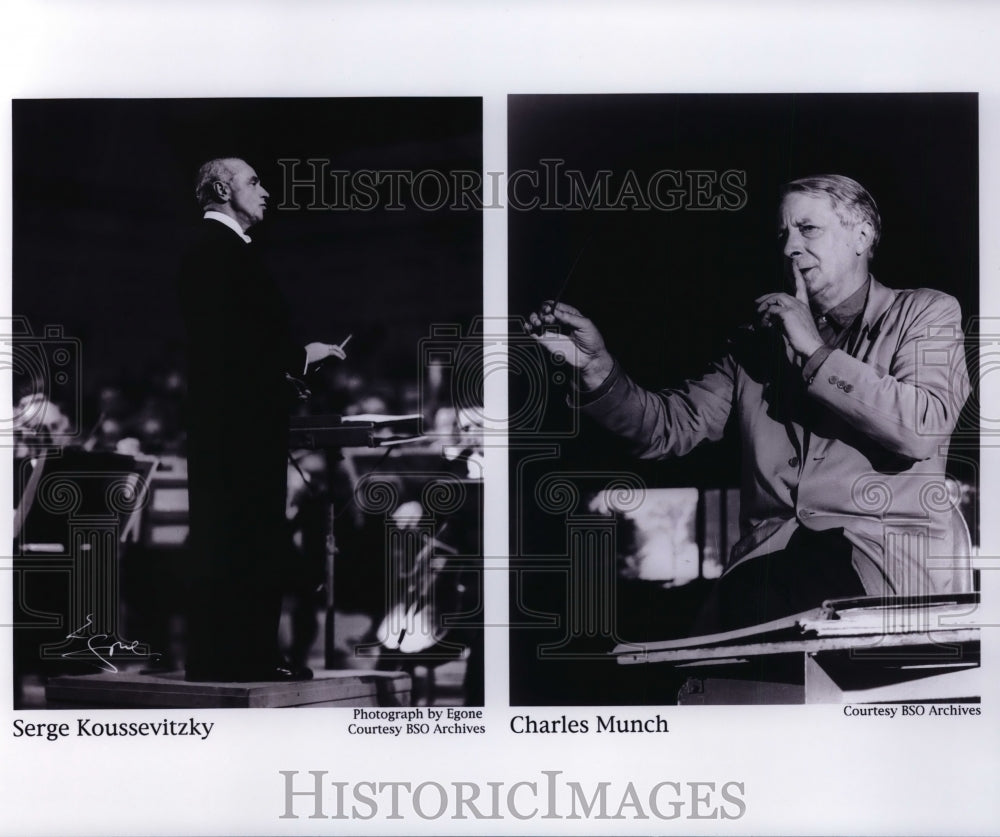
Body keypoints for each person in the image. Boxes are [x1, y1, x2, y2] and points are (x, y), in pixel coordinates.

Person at [528, 174, 971, 632]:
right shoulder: (758, 346)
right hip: (768, 576)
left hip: (878, 569)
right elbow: (666, 430)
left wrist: (817, 354)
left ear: (862, 234)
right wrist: (597, 369)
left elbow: (923, 428)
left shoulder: (926, 313)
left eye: (807, 229)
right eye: (783, 235)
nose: (789, 248)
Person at [178, 157, 346, 681]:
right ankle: (247, 655)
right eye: (255, 182)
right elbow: (233, 346)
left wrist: (285, 372)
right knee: (248, 536)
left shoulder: (216, 253)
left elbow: (232, 348)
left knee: (227, 535)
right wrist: (299, 357)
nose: (267, 191)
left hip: (230, 422)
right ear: (223, 188)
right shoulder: (217, 252)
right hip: (239, 430)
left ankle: (222, 656)